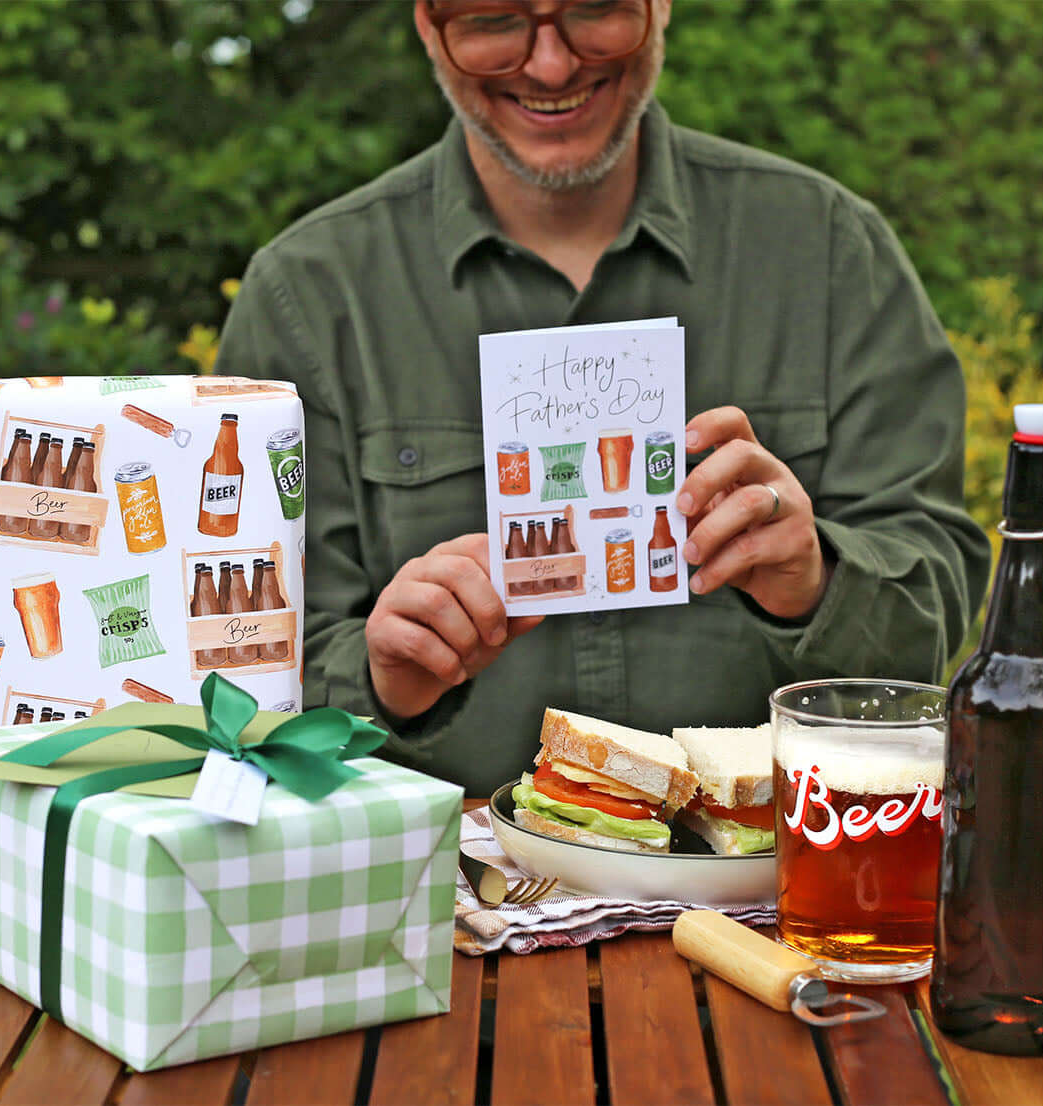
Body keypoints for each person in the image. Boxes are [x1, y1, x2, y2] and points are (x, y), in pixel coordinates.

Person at [215, 0, 990, 797]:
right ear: (428, 25)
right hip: (448, 898)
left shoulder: (828, 252)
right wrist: (380, 681)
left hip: (766, 893)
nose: (550, 66)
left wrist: (817, 582)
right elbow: (240, 672)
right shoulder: (310, 297)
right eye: (493, 20)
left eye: (593, 11)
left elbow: (934, 612)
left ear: (658, 9)